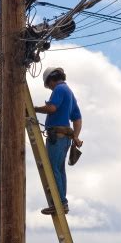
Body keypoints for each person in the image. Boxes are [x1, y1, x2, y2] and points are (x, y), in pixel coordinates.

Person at [35, 67, 82, 215]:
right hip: (65, 137)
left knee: (52, 168)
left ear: (51, 79)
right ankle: (62, 202)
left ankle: (59, 203)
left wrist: (34, 109)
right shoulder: (69, 92)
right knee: (59, 170)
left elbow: (52, 108)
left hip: (57, 136)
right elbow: (77, 118)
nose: (49, 88)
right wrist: (75, 136)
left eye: (48, 85)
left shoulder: (59, 89)